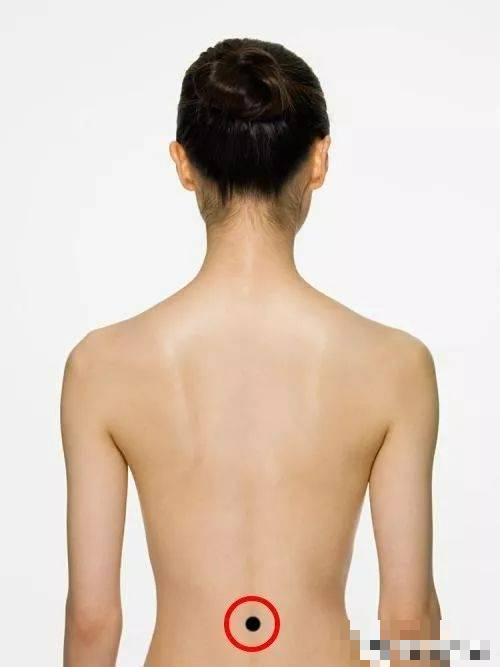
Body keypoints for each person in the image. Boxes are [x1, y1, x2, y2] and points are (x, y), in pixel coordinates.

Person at [60, 37, 441, 666]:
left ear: (183, 164)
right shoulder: (396, 364)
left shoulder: (99, 366)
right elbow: (408, 618)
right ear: (319, 159)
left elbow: (92, 620)